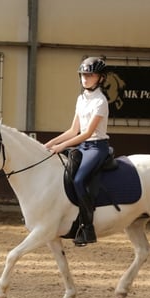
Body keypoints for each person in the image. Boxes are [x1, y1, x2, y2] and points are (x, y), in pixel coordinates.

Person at [44, 56, 110, 246]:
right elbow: (73, 130)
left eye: (90, 75)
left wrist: (63, 146)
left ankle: (87, 228)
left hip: (97, 146)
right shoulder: (81, 98)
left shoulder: (101, 101)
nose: (85, 78)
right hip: (83, 145)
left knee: (80, 179)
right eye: (83, 74)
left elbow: (88, 132)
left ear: (101, 78)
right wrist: (48, 144)